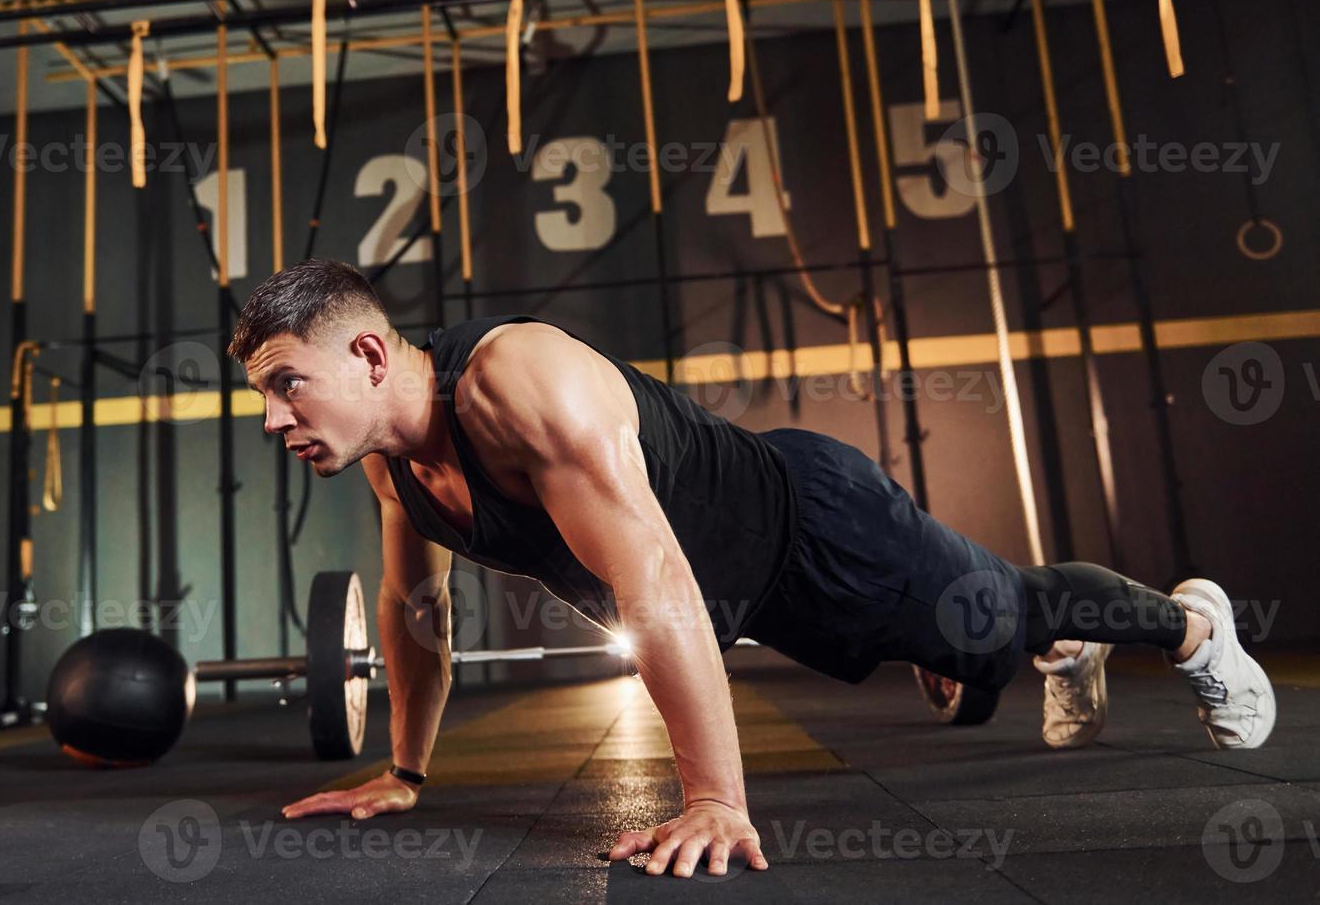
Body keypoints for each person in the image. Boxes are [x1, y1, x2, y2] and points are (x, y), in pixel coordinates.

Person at [228, 260, 1276, 880]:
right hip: (756, 597)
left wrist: (714, 797)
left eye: (287, 385)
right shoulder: (394, 471)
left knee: (1004, 608)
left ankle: (1193, 625)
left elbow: (656, 582)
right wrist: (406, 771)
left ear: (367, 356)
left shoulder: (519, 380)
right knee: (977, 640)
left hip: (818, 531)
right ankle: (1048, 648)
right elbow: (418, 617)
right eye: (262, 398)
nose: (275, 419)